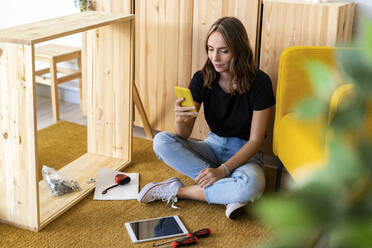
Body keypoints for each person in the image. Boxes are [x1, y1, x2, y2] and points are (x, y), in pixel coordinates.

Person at [137, 16, 275, 219]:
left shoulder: (260, 82)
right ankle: (229, 192)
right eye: (210, 49)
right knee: (161, 141)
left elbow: (255, 141)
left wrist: (222, 170)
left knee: (252, 186)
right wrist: (179, 118)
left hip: (247, 153)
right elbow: (182, 135)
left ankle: (178, 191)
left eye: (223, 50)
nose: (215, 57)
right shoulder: (202, 78)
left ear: (239, 50)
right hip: (212, 146)